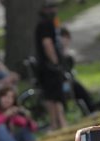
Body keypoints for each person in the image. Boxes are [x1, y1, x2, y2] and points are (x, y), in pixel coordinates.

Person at [35, 1, 67, 130]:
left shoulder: (43, 24)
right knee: (56, 96)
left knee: (50, 96)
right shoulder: (46, 24)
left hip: (44, 66)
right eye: (51, 7)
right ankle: (60, 122)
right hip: (49, 67)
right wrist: (55, 62)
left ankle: (55, 123)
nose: (54, 10)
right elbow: (47, 43)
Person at [59, 27, 95, 114]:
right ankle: (91, 107)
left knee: (80, 88)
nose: (66, 41)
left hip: (69, 80)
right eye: (64, 38)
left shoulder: (66, 52)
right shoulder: (60, 53)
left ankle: (90, 106)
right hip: (64, 83)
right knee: (77, 87)